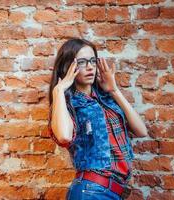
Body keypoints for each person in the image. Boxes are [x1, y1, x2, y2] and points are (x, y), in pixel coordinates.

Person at [48, 38, 148, 200]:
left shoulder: (106, 98)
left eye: (92, 61)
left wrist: (114, 90)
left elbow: (141, 131)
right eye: (81, 62)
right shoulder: (67, 104)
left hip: (115, 192)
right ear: (68, 66)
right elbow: (64, 136)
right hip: (90, 191)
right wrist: (59, 90)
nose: (89, 67)